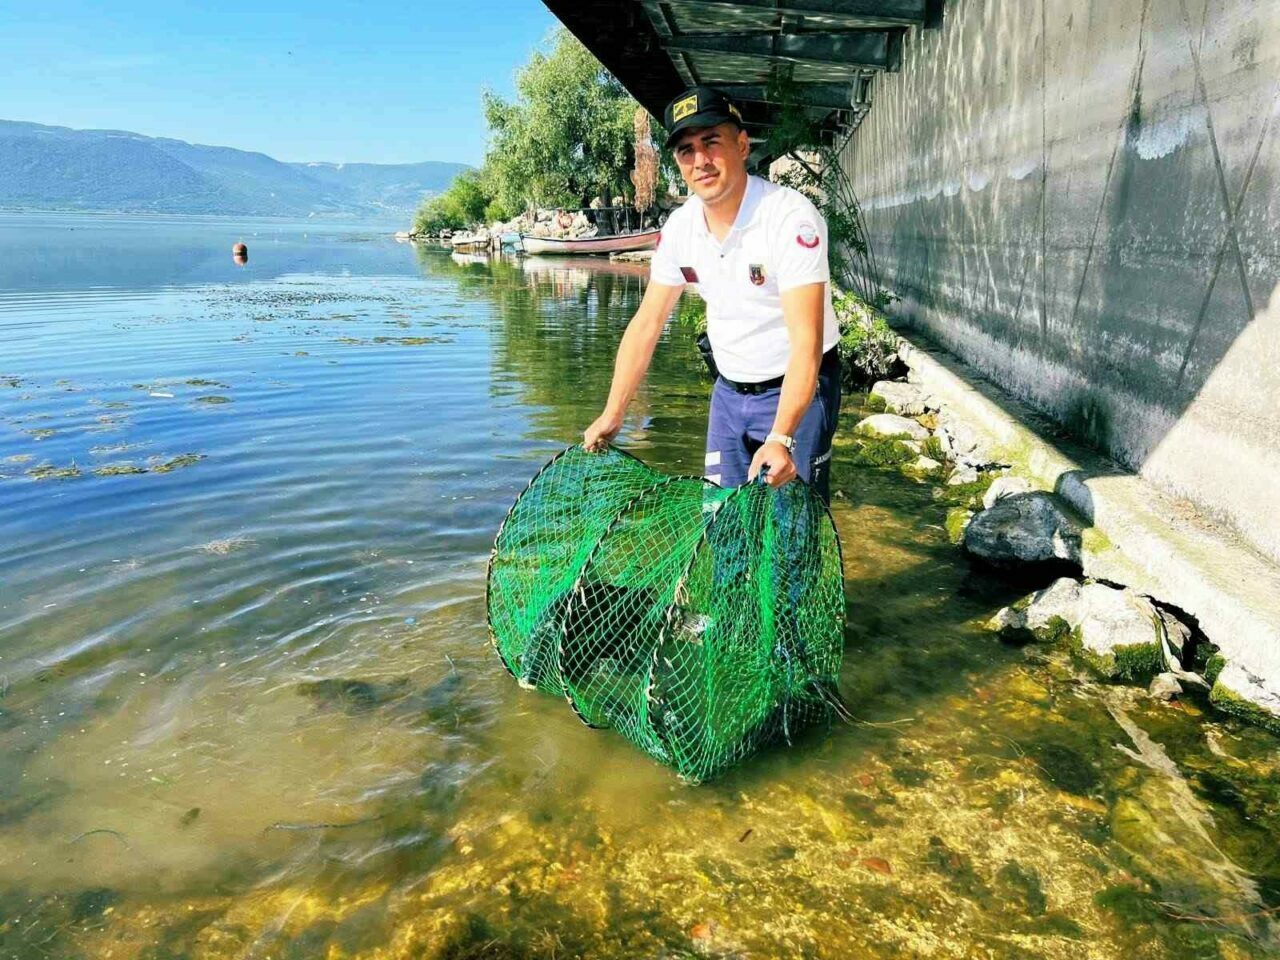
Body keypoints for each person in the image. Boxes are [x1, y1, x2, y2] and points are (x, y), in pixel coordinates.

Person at [582, 86, 841, 502]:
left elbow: (806, 342)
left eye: (711, 142)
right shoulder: (680, 229)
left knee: (793, 526)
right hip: (729, 391)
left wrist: (781, 437)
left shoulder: (789, 218)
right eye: (686, 150)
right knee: (721, 519)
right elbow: (647, 324)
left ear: (742, 145)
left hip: (798, 387)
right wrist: (614, 412)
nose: (700, 160)